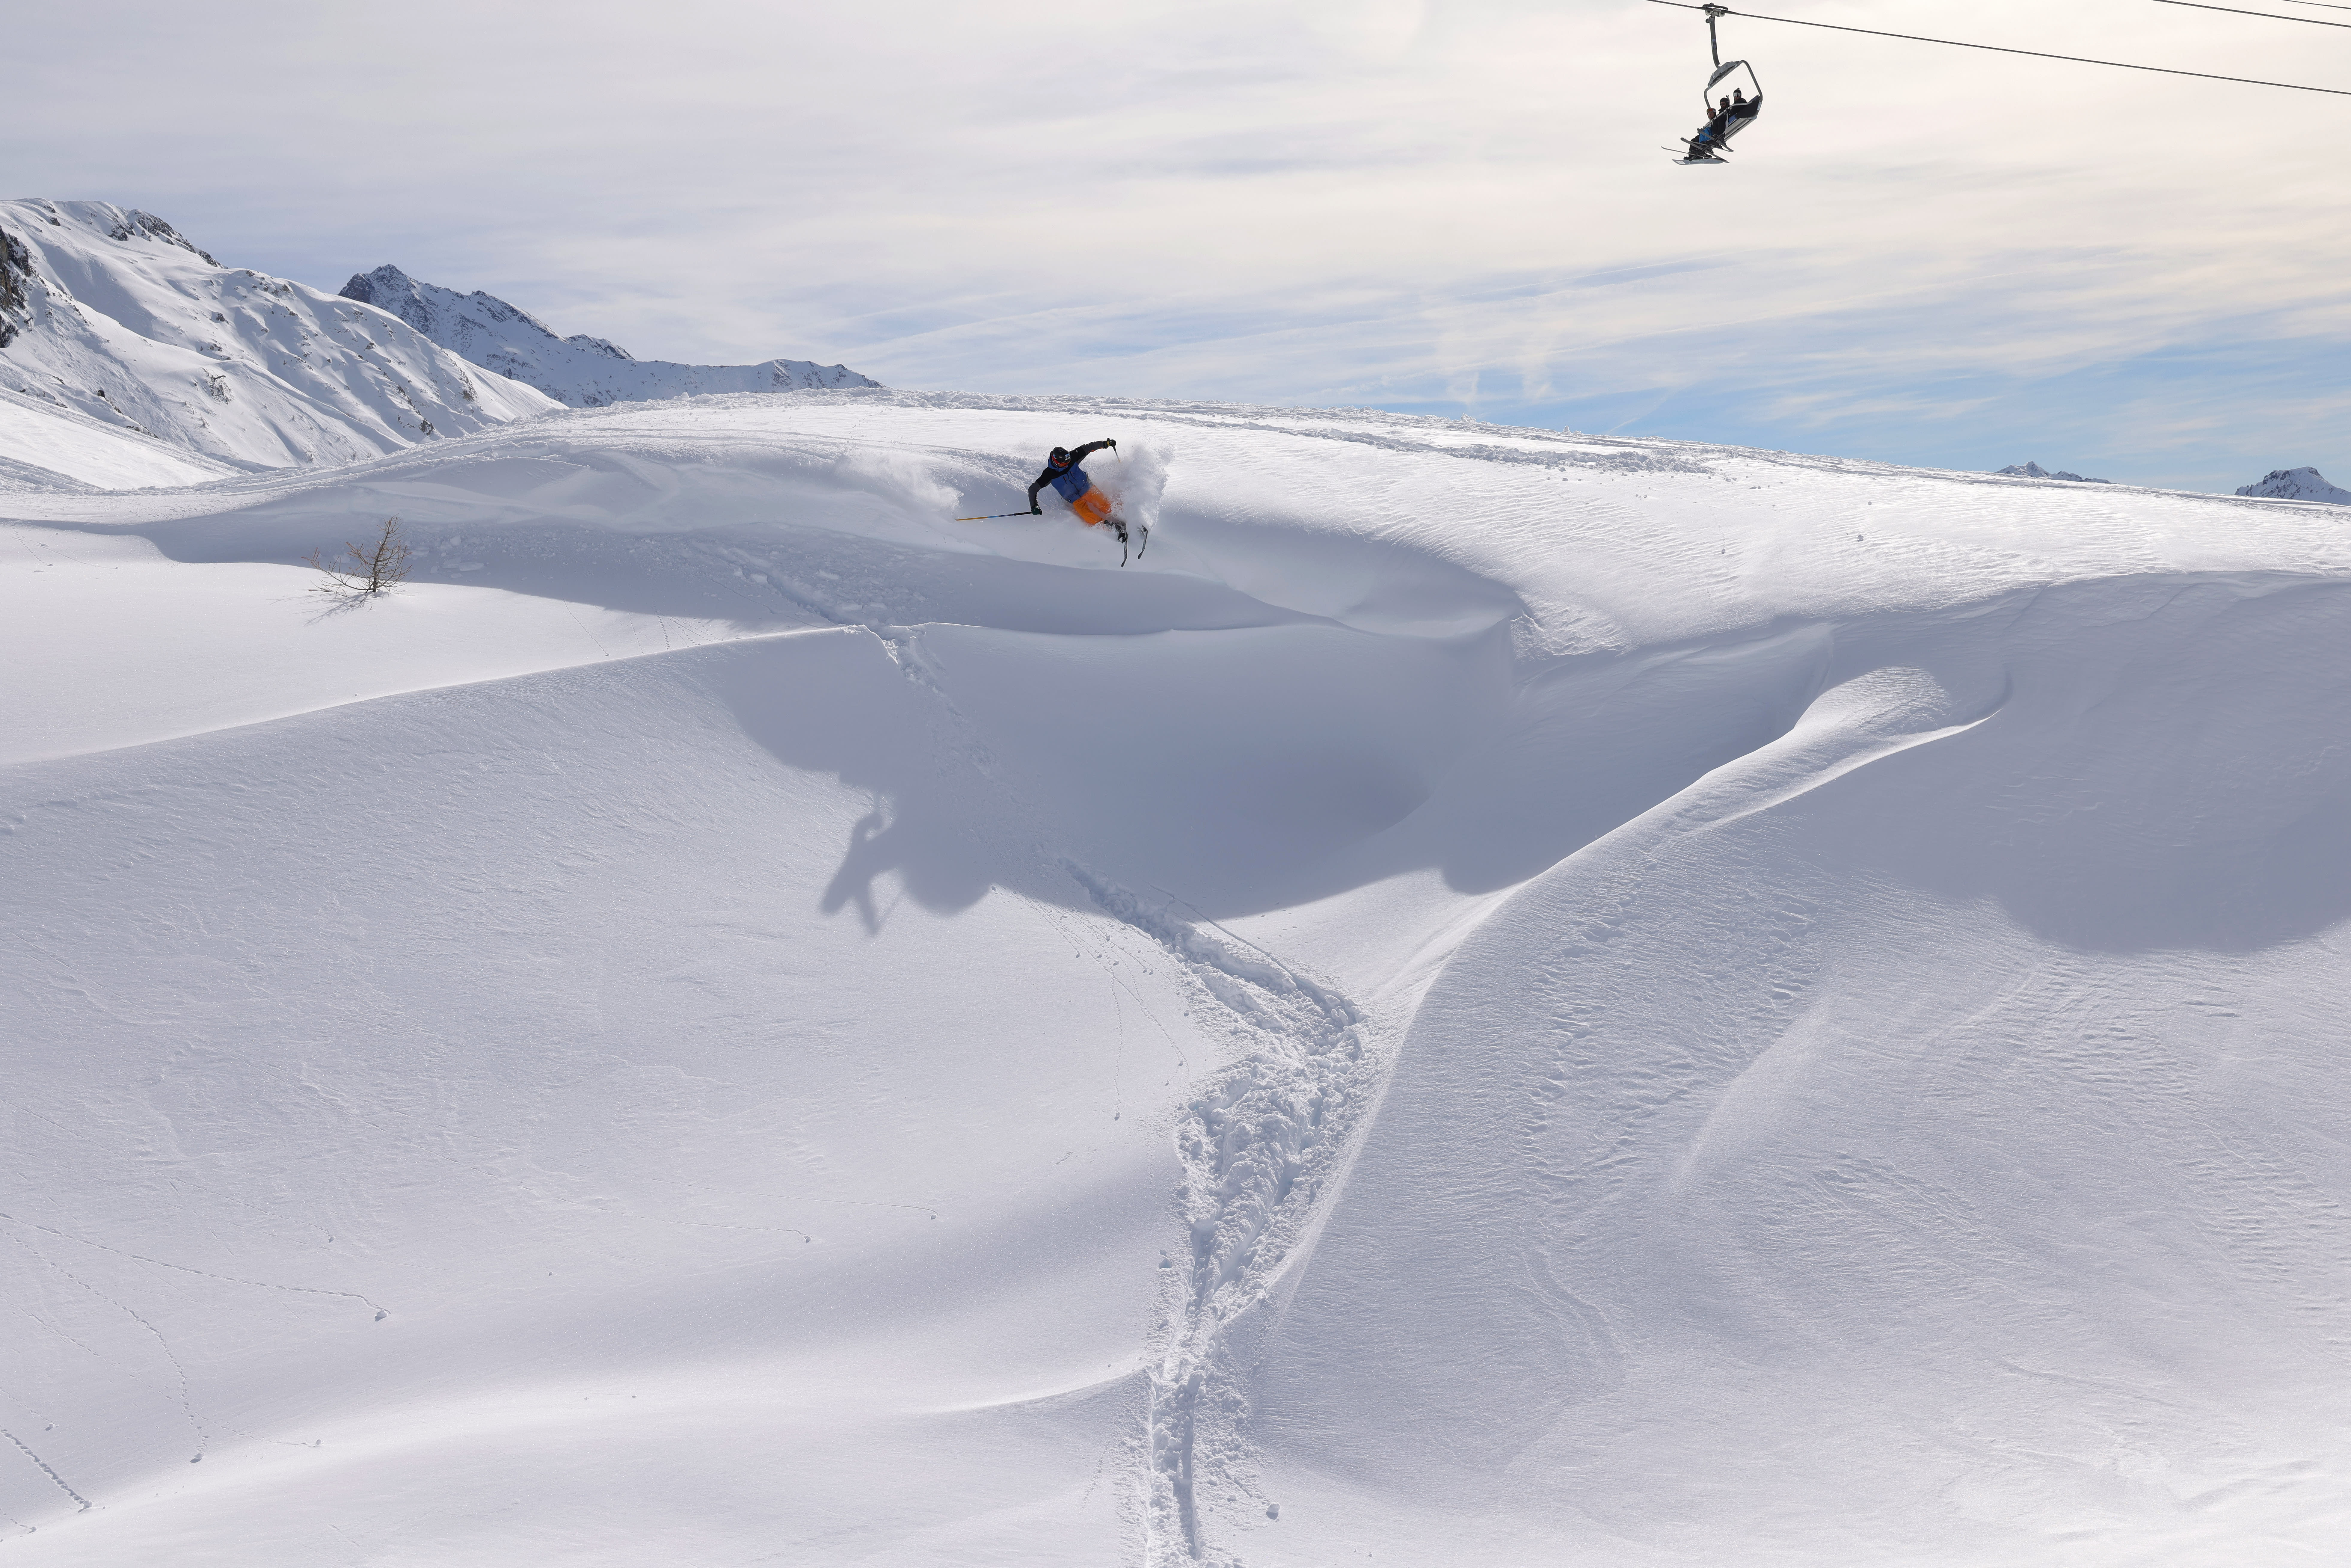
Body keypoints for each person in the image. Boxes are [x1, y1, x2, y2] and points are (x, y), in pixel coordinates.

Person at [1027, 438, 1127, 546]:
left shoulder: (1072, 457)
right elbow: (1033, 489)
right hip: (1075, 499)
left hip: (1087, 488)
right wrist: (1034, 506)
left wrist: (1105, 444)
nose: (1067, 465)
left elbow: (1088, 448)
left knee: (1105, 505)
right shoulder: (1049, 474)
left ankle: (1125, 518)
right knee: (1088, 516)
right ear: (1056, 462)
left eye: (1068, 462)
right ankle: (1112, 527)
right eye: (1064, 464)